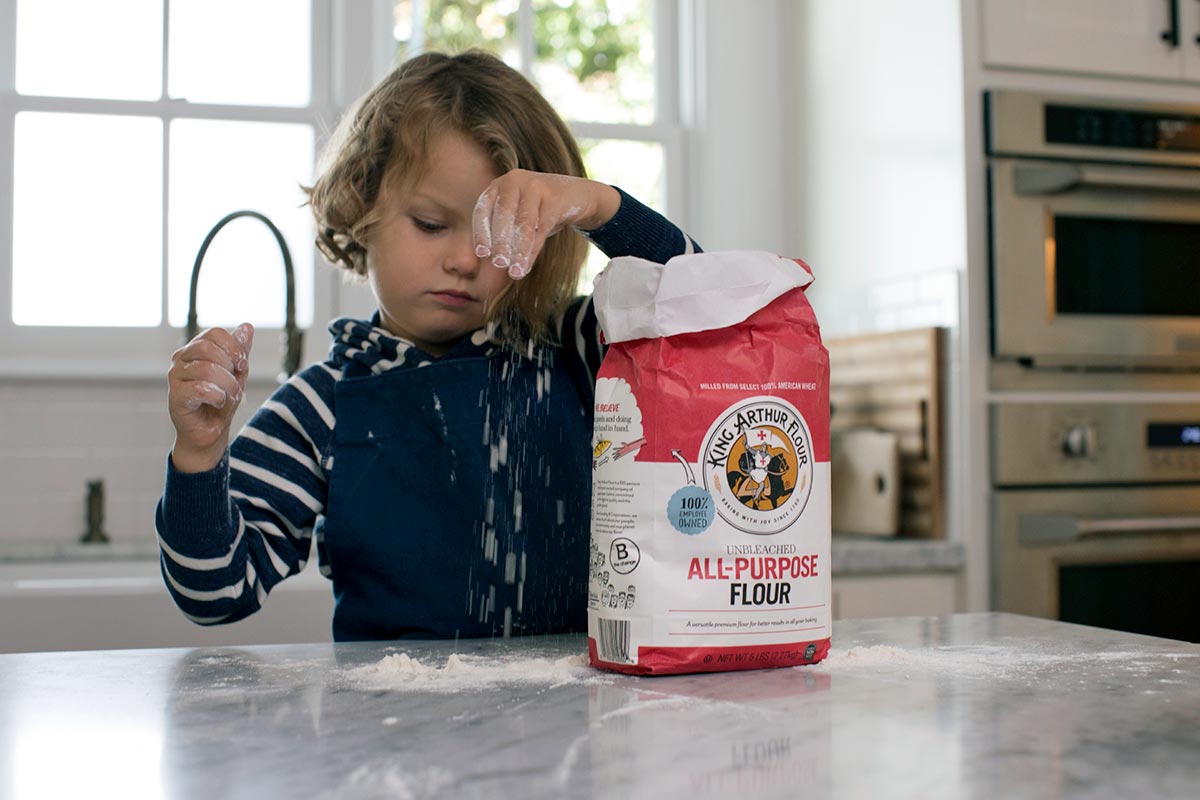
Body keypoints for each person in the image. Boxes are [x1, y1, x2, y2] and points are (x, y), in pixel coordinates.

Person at [155, 50, 700, 641]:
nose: (465, 259)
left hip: (573, 722)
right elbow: (214, 593)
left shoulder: (574, 351)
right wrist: (200, 456)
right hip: (393, 724)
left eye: (499, 233)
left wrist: (602, 207)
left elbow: (696, 306)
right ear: (362, 207)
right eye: (432, 224)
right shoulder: (322, 406)